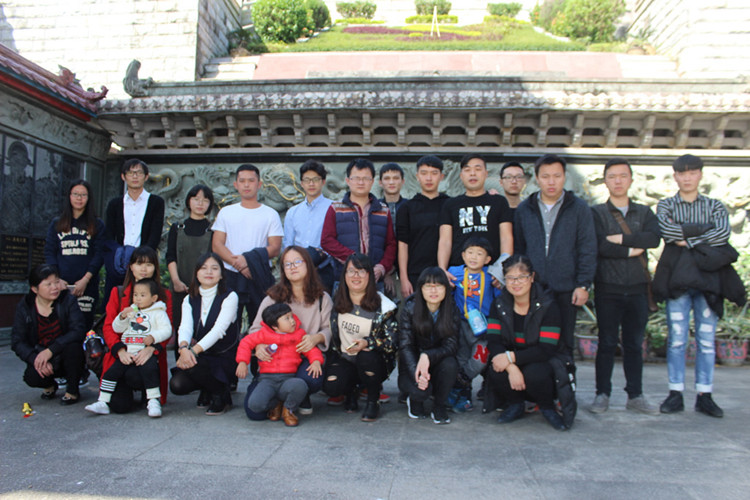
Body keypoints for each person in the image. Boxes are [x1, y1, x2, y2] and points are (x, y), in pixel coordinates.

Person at [654, 154, 734, 418]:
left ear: (700, 174)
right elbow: (667, 232)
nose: (687, 178)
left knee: (706, 340)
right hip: (677, 279)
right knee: (677, 339)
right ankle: (675, 392)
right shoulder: (666, 205)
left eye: (692, 173)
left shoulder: (715, 205)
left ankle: (705, 394)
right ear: (675, 176)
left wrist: (687, 238)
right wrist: (703, 233)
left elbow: (722, 233)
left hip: (709, 279)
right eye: (682, 173)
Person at [589, 158, 661, 416]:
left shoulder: (644, 212)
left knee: (634, 344)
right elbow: (599, 245)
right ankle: (602, 394)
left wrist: (620, 238)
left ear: (630, 179)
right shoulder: (596, 213)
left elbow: (653, 239)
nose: (617, 181)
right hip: (608, 287)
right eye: (612, 176)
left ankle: (635, 394)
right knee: (607, 342)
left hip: (639, 287)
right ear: (605, 180)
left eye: (622, 176)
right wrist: (632, 249)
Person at [513, 154, 597, 355]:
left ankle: (565, 374)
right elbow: (519, 249)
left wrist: (583, 284)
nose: (551, 182)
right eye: (545, 176)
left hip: (567, 288)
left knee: (565, 342)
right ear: (537, 178)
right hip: (533, 288)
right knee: (531, 340)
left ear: (564, 177)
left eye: (557, 176)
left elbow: (587, 248)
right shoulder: (525, 209)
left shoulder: (579, 208)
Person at [245, 245, 333, 418]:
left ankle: (295, 398)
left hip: (305, 356)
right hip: (275, 362)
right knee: (255, 412)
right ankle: (280, 398)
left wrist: (317, 338)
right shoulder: (273, 298)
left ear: (308, 264)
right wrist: (259, 346)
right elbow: (255, 328)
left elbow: (330, 329)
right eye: (287, 264)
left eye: (297, 262)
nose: (293, 267)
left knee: (311, 378)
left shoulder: (322, 298)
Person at [486, 255, 567, 431]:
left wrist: (510, 358)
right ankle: (515, 404)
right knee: (496, 367)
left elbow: (546, 349)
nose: (516, 283)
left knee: (534, 373)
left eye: (522, 277)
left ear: (532, 277)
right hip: (513, 356)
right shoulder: (499, 304)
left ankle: (547, 406)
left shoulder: (548, 305)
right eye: (510, 278)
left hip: (541, 359)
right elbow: (493, 340)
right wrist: (510, 366)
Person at [323, 254, 398, 422]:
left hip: (373, 361)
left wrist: (368, 342)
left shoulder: (383, 305)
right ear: (344, 275)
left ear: (369, 275)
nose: (355, 276)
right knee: (331, 386)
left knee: (366, 356)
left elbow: (393, 342)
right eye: (351, 271)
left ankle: (373, 400)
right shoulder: (338, 300)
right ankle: (350, 391)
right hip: (345, 357)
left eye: (361, 271)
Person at [85, 279, 171, 418]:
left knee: (150, 371)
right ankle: (103, 401)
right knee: (111, 373)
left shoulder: (158, 312)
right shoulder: (132, 311)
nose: (138, 298)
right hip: (128, 352)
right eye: (135, 295)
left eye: (143, 295)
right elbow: (117, 328)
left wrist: (154, 337)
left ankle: (153, 401)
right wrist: (122, 316)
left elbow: (167, 330)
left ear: (154, 298)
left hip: (145, 351)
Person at [102, 247, 172, 413]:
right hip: (122, 354)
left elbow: (167, 328)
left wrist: (152, 348)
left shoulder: (164, 295)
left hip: (148, 355)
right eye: (139, 264)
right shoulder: (118, 293)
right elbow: (108, 326)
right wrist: (120, 351)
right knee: (119, 407)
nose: (144, 269)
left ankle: (149, 397)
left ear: (155, 268)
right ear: (131, 267)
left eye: (149, 264)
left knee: (139, 373)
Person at [212, 164, 283, 328]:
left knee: (262, 322)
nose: (246, 185)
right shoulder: (226, 212)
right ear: (235, 185)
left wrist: (249, 262)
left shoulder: (270, 214)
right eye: (242, 181)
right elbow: (217, 245)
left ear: (259, 184)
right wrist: (241, 264)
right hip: (230, 274)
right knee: (227, 322)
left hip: (258, 274)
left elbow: (275, 248)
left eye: (251, 181)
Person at [169, 252, 239, 416]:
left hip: (224, 355)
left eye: (214, 268)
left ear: (221, 274)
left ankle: (220, 394)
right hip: (203, 355)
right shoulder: (189, 298)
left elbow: (218, 330)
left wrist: (192, 352)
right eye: (204, 268)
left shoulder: (230, 296)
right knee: (177, 385)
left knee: (194, 365)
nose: (209, 272)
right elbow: (185, 327)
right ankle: (207, 388)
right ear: (196, 273)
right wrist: (183, 348)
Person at [237, 303, 324, 427]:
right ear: (275, 326)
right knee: (255, 405)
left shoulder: (298, 335)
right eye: (287, 318)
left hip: (288, 378)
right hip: (267, 379)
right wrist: (242, 362)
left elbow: (311, 350)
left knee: (300, 385)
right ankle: (276, 404)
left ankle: (288, 410)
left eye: (292, 316)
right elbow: (245, 343)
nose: (292, 321)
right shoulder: (263, 334)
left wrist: (316, 361)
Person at [11, 264, 85, 405]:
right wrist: (34, 358)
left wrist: (51, 350)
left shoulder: (67, 300)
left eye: (56, 282)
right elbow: (17, 341)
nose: (55, 287)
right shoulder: (25, 306)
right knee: (31, 377)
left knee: (74, 348)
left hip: (64, 353)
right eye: (48, 284)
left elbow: (78, 330)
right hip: (41, 354)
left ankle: (72, 390)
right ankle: (50, 385)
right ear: (35, 289)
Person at [321, 158, 397, 288]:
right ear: (348, 181)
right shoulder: (336, 208)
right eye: (356, 178)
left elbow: (391, 244)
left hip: (374, 278)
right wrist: (353, 259)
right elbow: (327, 240)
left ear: (372, 181)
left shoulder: (383, 210)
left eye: (366, 178)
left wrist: (382, 267)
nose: (361, 182)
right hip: (344, 277)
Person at [446, 236, 501, 413]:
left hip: (483, 326)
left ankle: (459, 383)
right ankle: (463, 395)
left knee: (480, 359)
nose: (474, 257)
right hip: (461, 324)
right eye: (470, 252)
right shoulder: (454, 272)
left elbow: (499, 301)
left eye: (479, 254)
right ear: (463, 255)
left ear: (488, 259)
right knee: (461, 358)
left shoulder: (491, 275)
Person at [438, 153, 513, 281]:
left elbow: (506, 238)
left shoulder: (499, 202)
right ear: (461, 175)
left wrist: (503, 269)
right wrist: (442, 269)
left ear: (486, 173)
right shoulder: (450, 204)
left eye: (478, 169)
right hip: (458, 273)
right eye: (467, 170)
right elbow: (445, 241)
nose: (472, 174)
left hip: (492, 273)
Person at [399, 267, 459, 424]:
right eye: (428, 286)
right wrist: (418, 374)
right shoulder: (410, 309)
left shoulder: (451, 309)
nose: (434, 291)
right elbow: (405, 346)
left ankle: (439, 405)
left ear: (446, 288)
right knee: (420, 392)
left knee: (450, 364)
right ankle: (414, 400)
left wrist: (428, 356)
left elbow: (451, 345)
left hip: (436, 362)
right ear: (420, 289)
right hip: (412, 364)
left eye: (438, 286)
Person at [44, 179, 105, 329]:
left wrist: (85, 279)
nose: (79, 198)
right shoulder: (57, 223)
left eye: (83, 195)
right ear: (69, 196)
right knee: (59, 325)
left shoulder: (97, 224)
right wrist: (57, 279)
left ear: (89, 198)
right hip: (61, 284)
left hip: (86, 285)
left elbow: (99, 254)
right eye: (76, 194)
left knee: (83, 326)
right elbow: (50, 252)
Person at [103, 159, 165, 302]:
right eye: (131, 173)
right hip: (119, 262)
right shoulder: (115, 204)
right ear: (123, 176)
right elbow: (109, 235)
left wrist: (142, 258)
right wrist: (118, 255)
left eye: (139, 173)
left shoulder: (156, 202)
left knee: (144, 299)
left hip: (144, 262)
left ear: (146, 176)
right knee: (116, 300)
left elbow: (155, 235)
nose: (135, 176)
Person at [166, 184, 215, 354]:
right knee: (181, 330)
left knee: (203, 332)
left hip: (205, 290)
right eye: (196, 199)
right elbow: (170, 256)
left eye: (205, 200)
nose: (200, 203)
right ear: (188, 201)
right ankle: (180, 366)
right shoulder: (178, 227)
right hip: (180, 287)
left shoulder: (213, 230)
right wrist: (176, 281)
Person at [397, 155, 449, 298]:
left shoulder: (450, 205)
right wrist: (404, 278)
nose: (429, 178)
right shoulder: (407, 208)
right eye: (424, 173)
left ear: (441, 177)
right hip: (415, 274)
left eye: (434, 173)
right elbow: (402, 245)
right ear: (417, 176)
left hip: (446, 273)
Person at [283, 160, 334, 290]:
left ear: (323, 182)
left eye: (315, 179)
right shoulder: (293, 212)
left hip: (323, 269)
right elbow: (288, 244)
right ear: (301, 183)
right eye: (307, 180)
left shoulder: (333, 208)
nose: (311, 184)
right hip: (297, 270)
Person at [379, 162, 407, 300]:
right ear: (380, 182)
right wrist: (386, 271)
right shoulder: (375, 207)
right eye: (387, 178)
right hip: (381, 269)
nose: (391, 182)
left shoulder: (410, 206)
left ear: (402, 181)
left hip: (407, 269)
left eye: (396, 178)